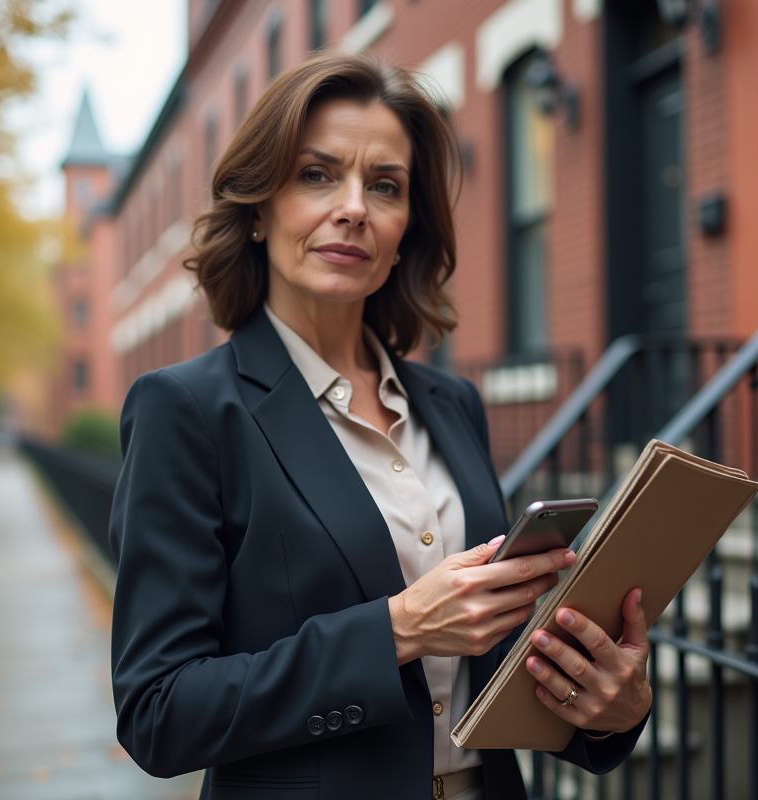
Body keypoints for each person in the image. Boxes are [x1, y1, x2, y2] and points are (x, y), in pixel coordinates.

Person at [110, 51, 651, 800]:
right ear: (260, 208)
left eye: (386, 186)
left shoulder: (452, 402)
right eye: (317, 174)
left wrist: (610, 710)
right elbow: (158, 713)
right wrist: (395, 630)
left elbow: (484, 668)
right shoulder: (189, 412)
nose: (355, 207)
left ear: (405, 231)